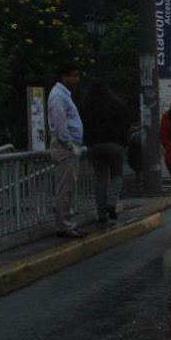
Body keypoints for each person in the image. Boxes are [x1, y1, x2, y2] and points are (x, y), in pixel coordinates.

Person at [82, 80, 129, 225]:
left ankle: (101, 213)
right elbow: (125, 124)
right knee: (117, 174)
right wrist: (123, 142)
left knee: (100, 177)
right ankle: (112, 202)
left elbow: (82, 125)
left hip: (94, 145)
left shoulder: (86, 105)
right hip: (115, 144)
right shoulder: (117, 103)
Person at [48, 63, 86, 238]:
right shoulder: (58, 97)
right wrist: (71, 146)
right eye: (74, 76)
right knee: (66, 188)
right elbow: (60, 124)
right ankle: (64, 225)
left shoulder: (63, 95)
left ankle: (67, 224)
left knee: (69, 187)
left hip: (68, 146)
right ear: (64, 76)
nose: (76, 79)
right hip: (65, 148)